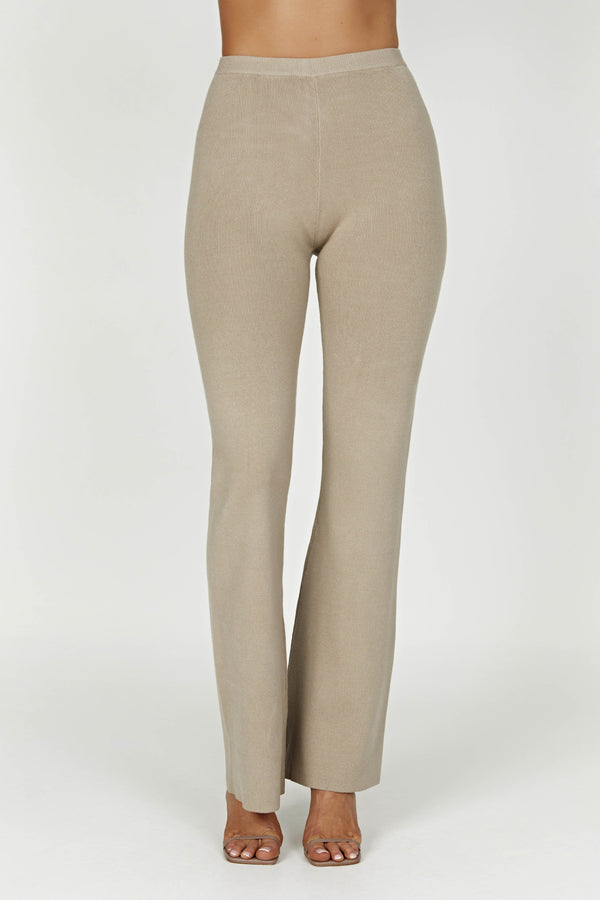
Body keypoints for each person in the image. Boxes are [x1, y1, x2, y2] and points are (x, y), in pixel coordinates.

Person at [183, 0, 447, 866]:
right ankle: (249, 773)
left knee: (371, 470)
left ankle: (336, 774)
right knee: (248, 463)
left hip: (384, 129)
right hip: (246, 127)